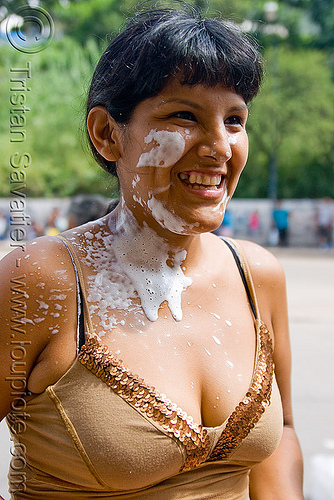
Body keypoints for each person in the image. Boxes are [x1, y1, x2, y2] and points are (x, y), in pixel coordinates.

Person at [0, 6, 304, 499]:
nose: (219, 146)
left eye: (234, 120)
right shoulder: (42, 280)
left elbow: (283, 429)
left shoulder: (257, 276)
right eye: (184, 115)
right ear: (107, 134)